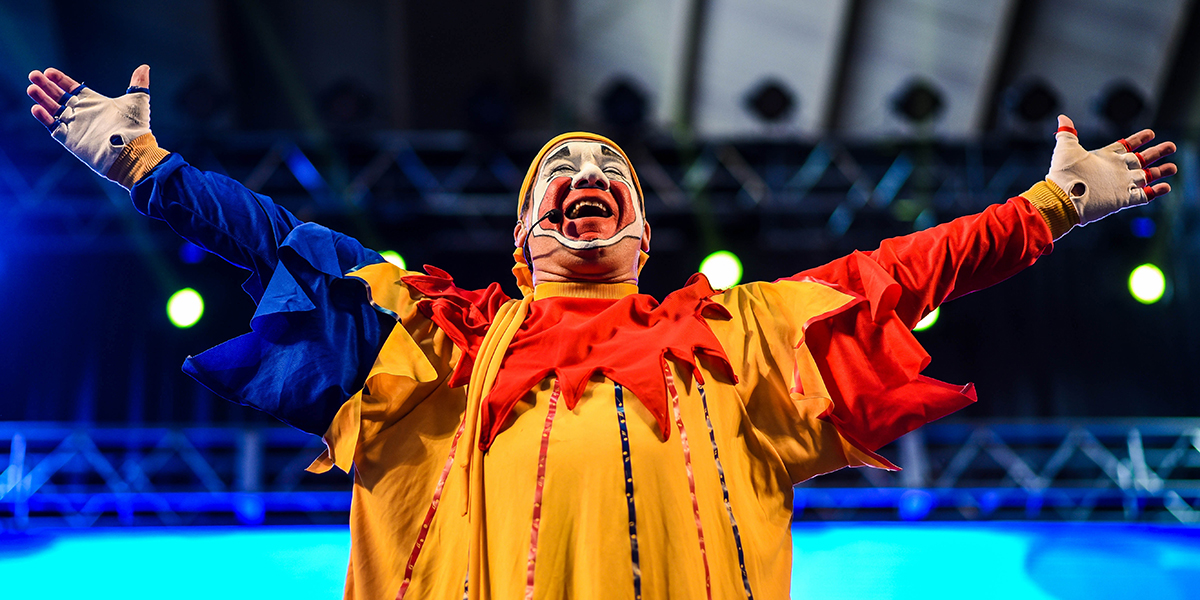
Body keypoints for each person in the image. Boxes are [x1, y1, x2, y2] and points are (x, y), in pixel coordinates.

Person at [28, 65, 1176, 600]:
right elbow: (280, 242)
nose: (584, 173)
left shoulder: (739, 339)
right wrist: (145, 165)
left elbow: (903, 274)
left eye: (605, 169)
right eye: (559, 171)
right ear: (521, 238)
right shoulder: (436, 337)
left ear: (641, 237)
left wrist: (1053, 205)